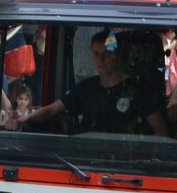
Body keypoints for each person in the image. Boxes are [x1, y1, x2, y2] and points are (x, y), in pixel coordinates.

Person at [27, 30, 168, 136]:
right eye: (96, 54)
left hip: (126, 164)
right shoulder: (85, 88)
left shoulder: (139, 90)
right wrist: (23, 120)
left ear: (117, 54)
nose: (101, 59)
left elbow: (160, 130)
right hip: (84, 164)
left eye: (107, 53)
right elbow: (51, 110)